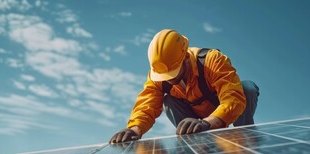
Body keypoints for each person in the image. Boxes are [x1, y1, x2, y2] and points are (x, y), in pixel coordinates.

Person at [109, 29, 259, 144]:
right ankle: (194, 142)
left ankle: (245, 137)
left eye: (173, 72)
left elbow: (232, 97)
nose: (170, 79)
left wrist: (208, 122)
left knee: (246, 89)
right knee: (169, 102)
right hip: (193, 118)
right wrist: (134, 129)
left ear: (186, 57)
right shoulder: (159, 73)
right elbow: (147, 104)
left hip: (219, 111)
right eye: (166, 76)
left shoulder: (211, 60)